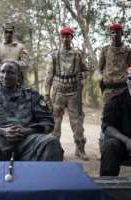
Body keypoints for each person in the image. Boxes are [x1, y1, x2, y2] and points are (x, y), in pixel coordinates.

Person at [0, 60, 63, 161]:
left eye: (10, 72)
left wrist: (28, 131)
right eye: (2, 72)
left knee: (51, 142)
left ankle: (43, 176)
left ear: (19, 76)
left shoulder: (32, 95)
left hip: (27, 141)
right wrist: (0, 131)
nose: (5, 76)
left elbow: (48, 122)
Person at [44, 27, 89, 160]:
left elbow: (86, 71)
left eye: (68, 36)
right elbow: (48, 76)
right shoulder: (54, 55)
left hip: (74, 92)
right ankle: (54, 150)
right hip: (58, 93)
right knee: (55, 123)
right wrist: (46, 94)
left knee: (77, 123)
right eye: (63, 36)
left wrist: (82, 74)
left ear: (72, 38)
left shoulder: (77, 54)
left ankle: (80, 149)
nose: (65, 38)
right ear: (60, 38)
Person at [97, 23, 131, 157]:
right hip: (108, 91)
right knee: (106, 119)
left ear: (122, 33)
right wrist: (102, 80)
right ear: (110, 34)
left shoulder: (128, 51)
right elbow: (99, 69)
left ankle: (127, 149)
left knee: (126, 118)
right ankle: (103, 149)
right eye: (112, 32)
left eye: (117, 32)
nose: (115, 35)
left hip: (123, 90)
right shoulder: (105, 50)